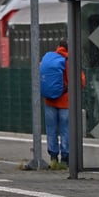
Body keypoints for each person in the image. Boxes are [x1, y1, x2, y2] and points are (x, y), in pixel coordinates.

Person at [39, 39, 70, 167]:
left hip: (49, 101)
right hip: (65, 102)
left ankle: (53, 157)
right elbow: (81, 80)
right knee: (65, 130)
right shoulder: (68, 60)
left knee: (51, 130)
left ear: (58, 47)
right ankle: (65, 158)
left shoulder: (47, 58)